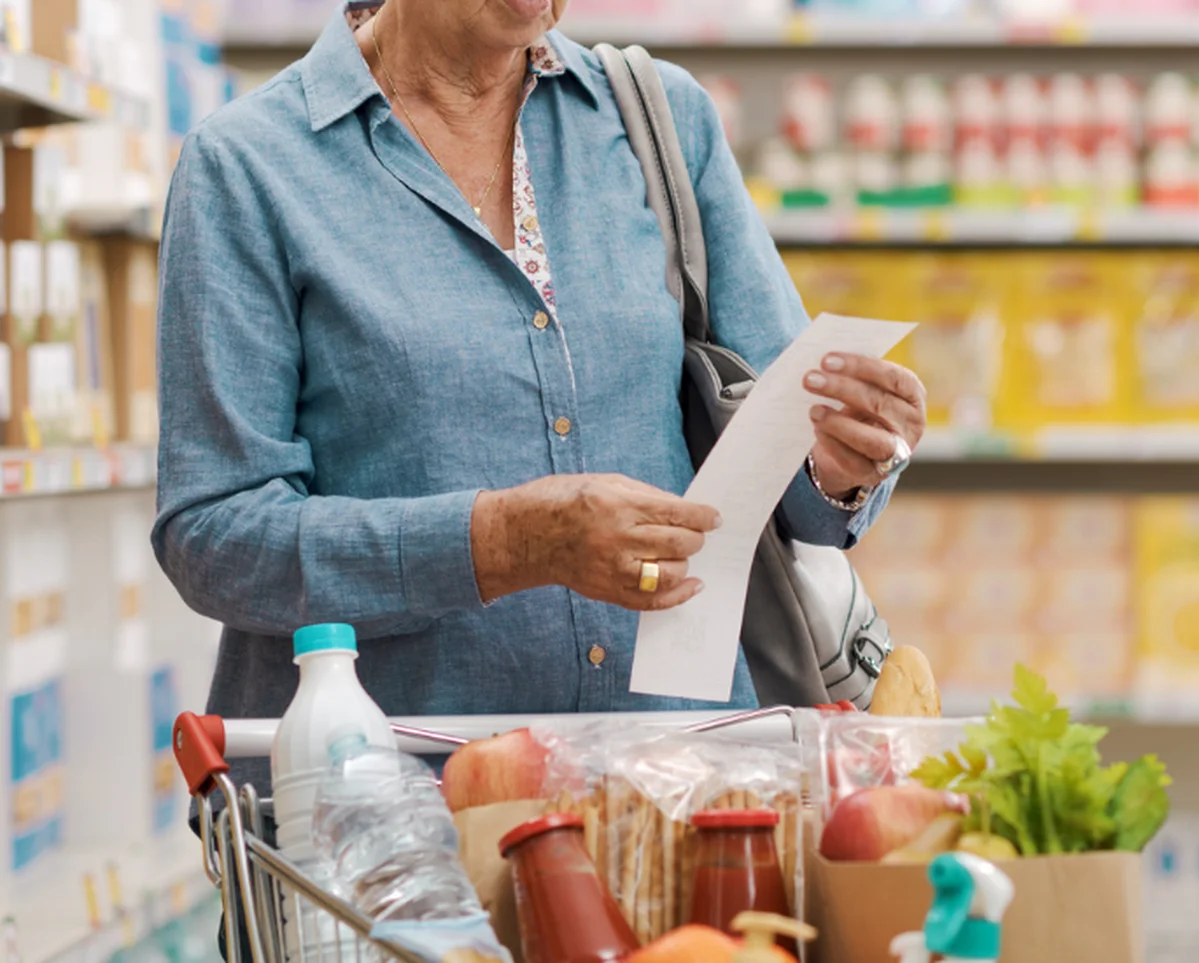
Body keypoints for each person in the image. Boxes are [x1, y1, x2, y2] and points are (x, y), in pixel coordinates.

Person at [153, 0, 928, 793]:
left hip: (672, 789)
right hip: (387, 816)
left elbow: (792, 461)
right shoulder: (249, 165)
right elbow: (215, 535)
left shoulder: (658, 123)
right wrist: (505, 541)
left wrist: (839, 461)